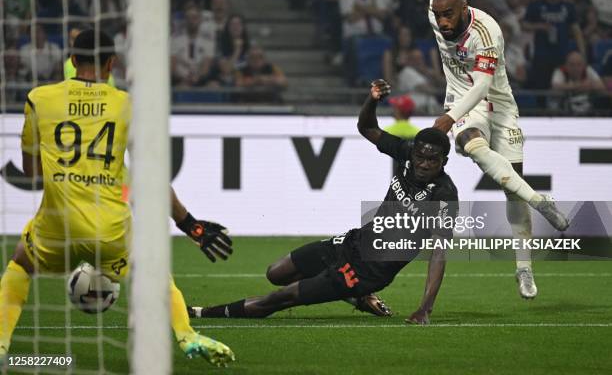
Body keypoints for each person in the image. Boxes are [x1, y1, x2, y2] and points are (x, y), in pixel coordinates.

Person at [0, 30, 235, 367]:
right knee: (154, 272)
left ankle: (1, 345)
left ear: (71, 60)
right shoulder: (127, 105)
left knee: (21, 263)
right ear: (112, 63)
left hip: (56, 226)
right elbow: (151, 179)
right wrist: (192, 227)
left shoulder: (39, 97)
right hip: (111, 231)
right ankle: (186, 336)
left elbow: (31, 172)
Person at [188, 80, 458, 325]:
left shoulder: (444, 195)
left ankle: (200, 312)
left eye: (431, 160)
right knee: (276, 272)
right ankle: (359, 298)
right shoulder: (406, 153)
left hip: (367, 270)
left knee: (277, 298)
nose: (423, 164)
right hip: (351, 242)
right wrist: (372, 100)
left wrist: (425, 309)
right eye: (420, 156)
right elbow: (367, 127)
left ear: (444, 161)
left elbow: (438, 254)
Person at [417, 0, 570, 300]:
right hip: (463, 104)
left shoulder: (487, 32)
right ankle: (541, 200)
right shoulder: (437, 9)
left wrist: (447, 119)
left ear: (464, 8)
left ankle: (523, 268)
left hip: (498, 106)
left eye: (448, 15)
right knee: (472, 144)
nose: (442, 22)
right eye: (438, 15)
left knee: (511, 190)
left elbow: (482, 87)